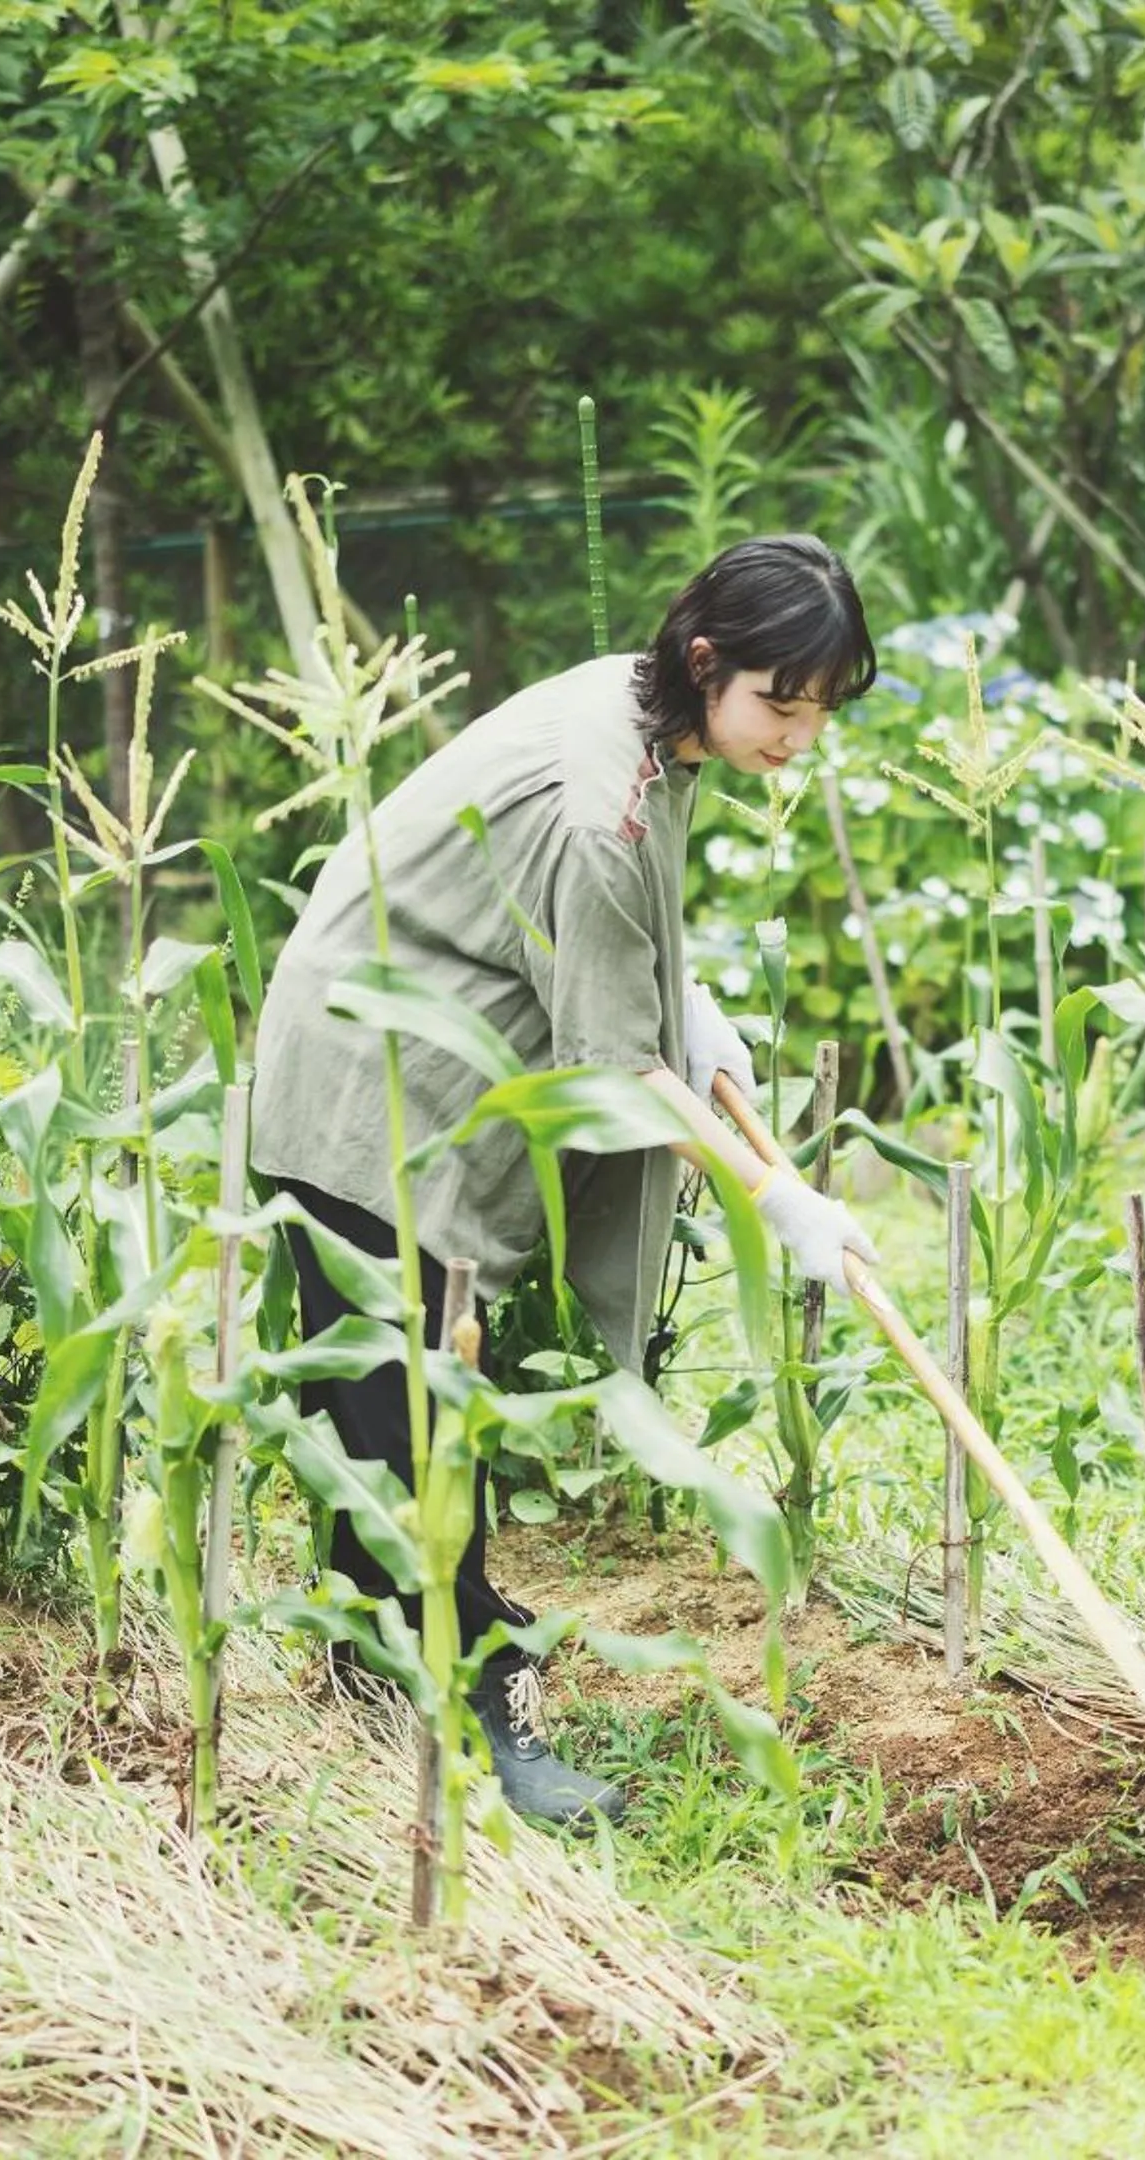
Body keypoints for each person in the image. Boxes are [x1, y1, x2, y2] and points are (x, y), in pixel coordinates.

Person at [251, 534, 883, 1826]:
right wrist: (778, 1202)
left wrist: (685, 995)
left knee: (422, 1398)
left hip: (429, 1044)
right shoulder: (605, 799)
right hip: (371, 1075)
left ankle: (405, 1662)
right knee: (405, 1412)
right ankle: (453, 1724)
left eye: (819, 711)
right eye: (782, 702)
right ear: (709, 660)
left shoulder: (648, 708)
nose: (799, 738)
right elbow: (610, 1077)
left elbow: (618, 927)